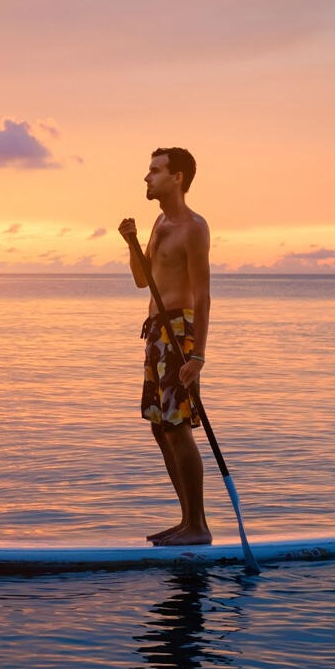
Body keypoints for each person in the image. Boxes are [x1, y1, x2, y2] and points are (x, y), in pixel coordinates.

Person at [118, 147, 212, 546]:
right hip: (156, 331)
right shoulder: (158, 223)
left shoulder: (193, 227)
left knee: (177, 427)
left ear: (177, 177)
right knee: (161, 428)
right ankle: (186, 520)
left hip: (180, 331)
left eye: (155, 170)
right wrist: (131, 241)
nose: (146, 177)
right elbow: (143, 280)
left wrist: (197, 355)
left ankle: (198, 525)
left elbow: (204, 295)